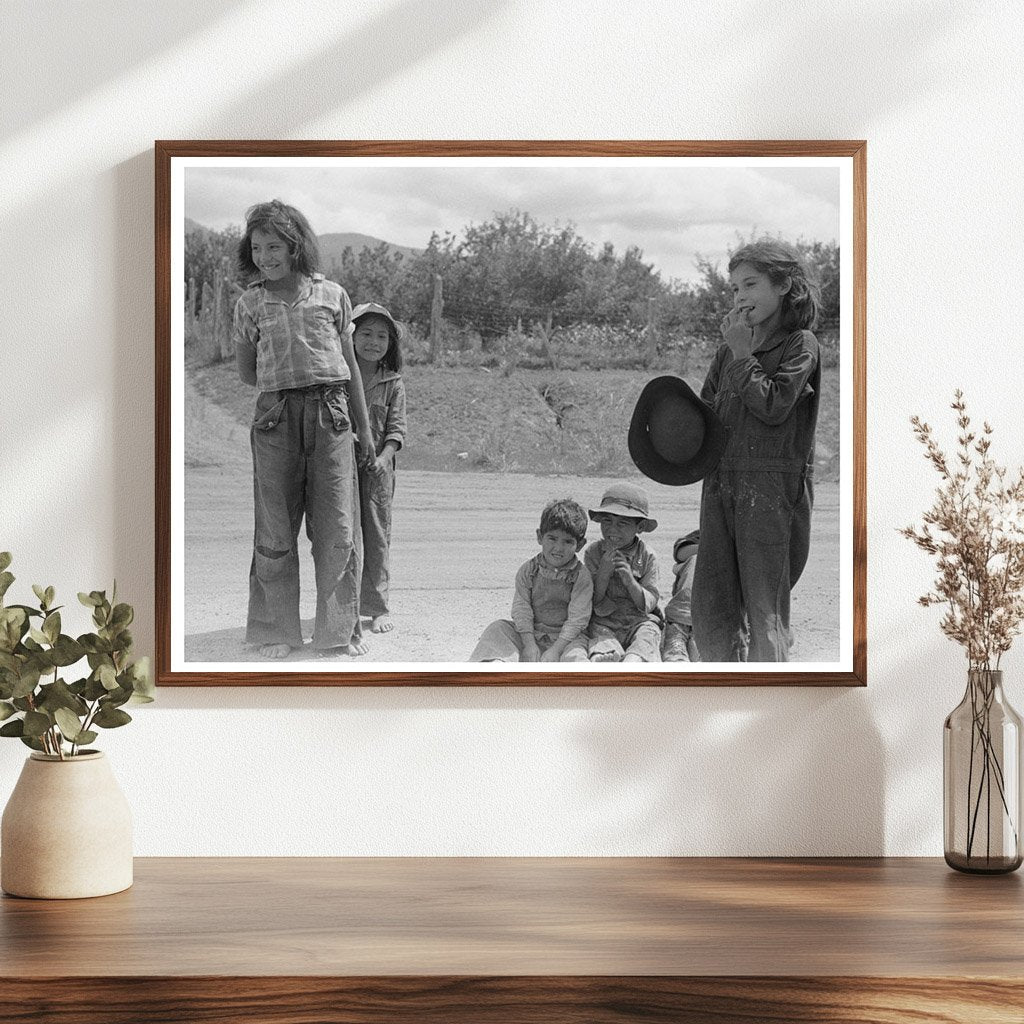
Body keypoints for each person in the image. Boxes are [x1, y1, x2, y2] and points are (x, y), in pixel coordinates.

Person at [233, 199, 374, 660]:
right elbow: (247, 374)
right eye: (256, 247)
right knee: (275, 528)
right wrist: (287, 386)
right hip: (275, 418)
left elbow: (350, 366)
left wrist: (366, 432)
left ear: (295, 246)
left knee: (336, 526)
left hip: (332, 415)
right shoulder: (250, 302)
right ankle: (277, 630)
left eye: (274, 246)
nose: (265, 256)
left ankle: (338, 631)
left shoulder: (331, 295)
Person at [691, 238, 821, 662]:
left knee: (765, 614)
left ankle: (771, 708)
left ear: (783, 286)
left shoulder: (800, 344)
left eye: (749, 285)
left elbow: (774, 405)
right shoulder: (726, 350)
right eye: (733, 289)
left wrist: (743, 354)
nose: (740, 297)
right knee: (711, 612)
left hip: (770, 492)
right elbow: (706, 419)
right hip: (719, 487)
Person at [469, 498, 593, 663]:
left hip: (566, 639)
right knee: (498, 628)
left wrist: (556, 650)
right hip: (531, 633)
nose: (558, 548)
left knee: (577, 655)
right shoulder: (529, 570)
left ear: (580, 545)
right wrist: (529, 644)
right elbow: (522, 609)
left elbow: (578, 619)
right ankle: (495, 669)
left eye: (568, 541)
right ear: (539, 537)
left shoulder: (581, 576)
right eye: (552, 538)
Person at [351, 302, 407, 635]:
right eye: (367, 333)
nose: (374, 342)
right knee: (342, 535)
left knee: (377, 536)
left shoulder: (393, 382)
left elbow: (397, 430)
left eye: (382, 336)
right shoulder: (340, 374)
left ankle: (376, 608)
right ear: (351, 337)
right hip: (341, 467)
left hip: (378, 473)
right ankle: (342, 608)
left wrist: (384, 459)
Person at [563, 482, 662, 664]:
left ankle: (635, 659)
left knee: (648, 634)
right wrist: (603, 573)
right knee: (599, 634)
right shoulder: (593, 552)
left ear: (639, 527)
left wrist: (630, 580)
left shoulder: (648, 556)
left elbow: (649, 602)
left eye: (622, 523)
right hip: (605, 619)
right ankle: (607, 655)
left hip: (638, 619)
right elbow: (592, 599)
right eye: (607, 521)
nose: (612, 529)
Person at [662, 530, 700, 662]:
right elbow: (681, 553)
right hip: (688, 605)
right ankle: (678, 630)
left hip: (719, 609)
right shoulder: (713, 530)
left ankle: (697, 639)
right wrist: (717, 547)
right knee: (695, 560)